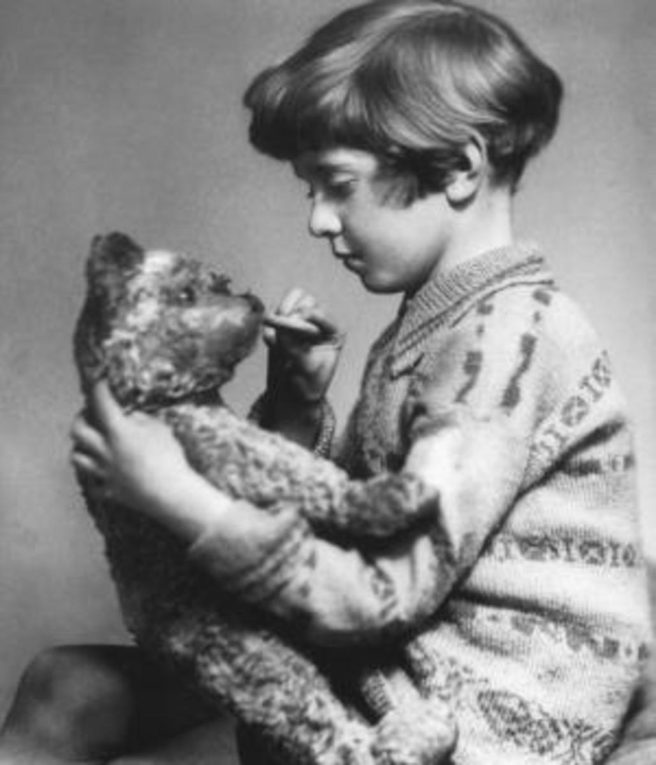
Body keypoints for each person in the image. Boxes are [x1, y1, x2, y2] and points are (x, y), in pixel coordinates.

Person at [1, 1, 652, 763]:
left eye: (338, 184)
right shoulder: (445, 320)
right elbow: (350, 515)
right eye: (310, 190)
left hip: (467, 723)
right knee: (67, 685)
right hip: (392, 667)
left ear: (461, 167)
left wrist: (176, 495)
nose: (318, 220)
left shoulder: (507, 341)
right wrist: (296, 406)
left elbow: (379, 595)